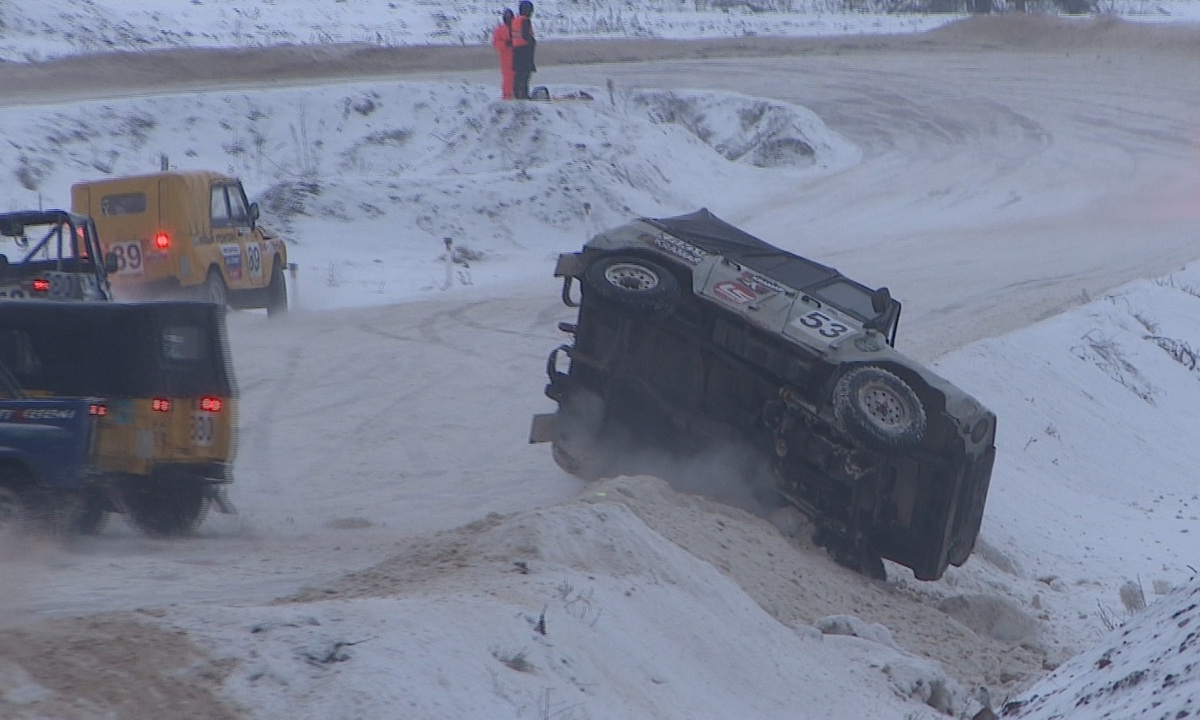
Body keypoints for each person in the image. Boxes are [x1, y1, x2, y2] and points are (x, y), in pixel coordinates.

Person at [510, 0, 536, 100]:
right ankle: (524, 95)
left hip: (516, 50)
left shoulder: (516, 20)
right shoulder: (525, 20)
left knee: (518, 74)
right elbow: (526, 35)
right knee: (525, 74)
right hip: (524, 50)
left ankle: (517, 94)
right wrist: (532, 41)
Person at [491, 9, 515, 100]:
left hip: (518, 57)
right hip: (506, 59)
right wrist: (505, 44)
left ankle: (519, 96)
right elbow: (496, 44)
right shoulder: (499, 30)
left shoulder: (517, 28)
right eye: (507, 17)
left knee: (518, 78)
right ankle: (507, 97)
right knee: (508, 79)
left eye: (510, 17)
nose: (509, 19)